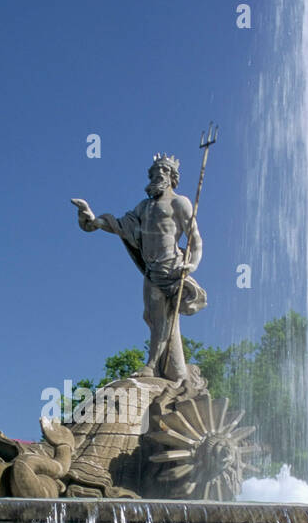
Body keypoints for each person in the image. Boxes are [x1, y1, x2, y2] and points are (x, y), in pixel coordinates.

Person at [72, 154, 207, 382]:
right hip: (152, 271)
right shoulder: (144, 207)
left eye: (160, 172)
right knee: (154, 319)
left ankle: (153, 365)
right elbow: (121, 226)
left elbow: (196, 238)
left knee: (162, 319)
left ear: (171, 177)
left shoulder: (179, 203)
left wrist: (191, 264)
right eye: (152, 173)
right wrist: (93, 220)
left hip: (173, 269)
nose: (155, 176)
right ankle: (177, 371)